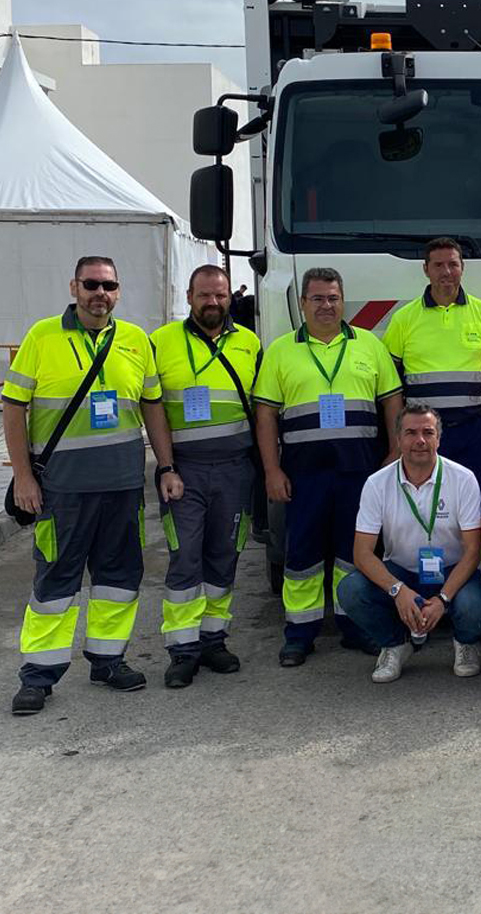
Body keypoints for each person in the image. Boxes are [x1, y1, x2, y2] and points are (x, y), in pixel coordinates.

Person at [4, 256, 180, 715]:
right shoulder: (43, 336)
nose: (100, 293)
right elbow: (13, 408)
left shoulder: (136, 340)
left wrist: (166, 465)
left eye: (109, 285)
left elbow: (152, 407)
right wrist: (23, 476)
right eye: (91, 284)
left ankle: (108, 661)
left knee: (119, 579)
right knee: (55, 581)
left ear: (118, 291)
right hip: (62, 489)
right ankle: (38, 676)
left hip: (123, 487)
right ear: (74, 287)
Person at [253, 267, 403, 667]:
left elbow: (392, 401)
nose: (326, 305)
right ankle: (299, 635)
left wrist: (393, 454)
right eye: (317, 298)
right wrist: (271, 470)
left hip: (360, 471)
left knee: (354, 553)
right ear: (302, 303)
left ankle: (355, 626)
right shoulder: (281, 350)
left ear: (343, 300)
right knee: (301, 554)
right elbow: (265, 414)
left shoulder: (370, 345)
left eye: (333, 297)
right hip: (304, 473)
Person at [149, 265, 261, 689]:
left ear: (230, 297)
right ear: (189, 298)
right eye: (204, 295)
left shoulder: (249, 343)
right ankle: (182, 650)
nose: (212, 302)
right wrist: (166, 467)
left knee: (224, 555)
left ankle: (213, 639)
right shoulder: (161, 343)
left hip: (235, 471)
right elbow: (152, 408)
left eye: (220, 295)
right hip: (186, 473)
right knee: (185, 560)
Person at [337, 402, 481, 683]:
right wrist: (398, 591)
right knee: (350, 590)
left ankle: (465, 643)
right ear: (398, 439)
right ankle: (395, 644)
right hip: (402, 571)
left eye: (428, 432)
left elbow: (473, 550)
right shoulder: (376, 483)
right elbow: (362, 553)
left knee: (474, 608)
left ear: (438, 439)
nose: (419, 441)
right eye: (410, 433)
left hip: (453, 571)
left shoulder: (463, 479)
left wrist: (443, 599)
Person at [382, 237, 481, 484]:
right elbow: (390, 379)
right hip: (424, 432)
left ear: (462, 267)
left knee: (477, 494)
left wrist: (477, 402)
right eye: (438, 265)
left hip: (474, 428)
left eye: (453, 264)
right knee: (426, 496)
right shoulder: (404, 318)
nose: (447, 272)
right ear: (425, 269)